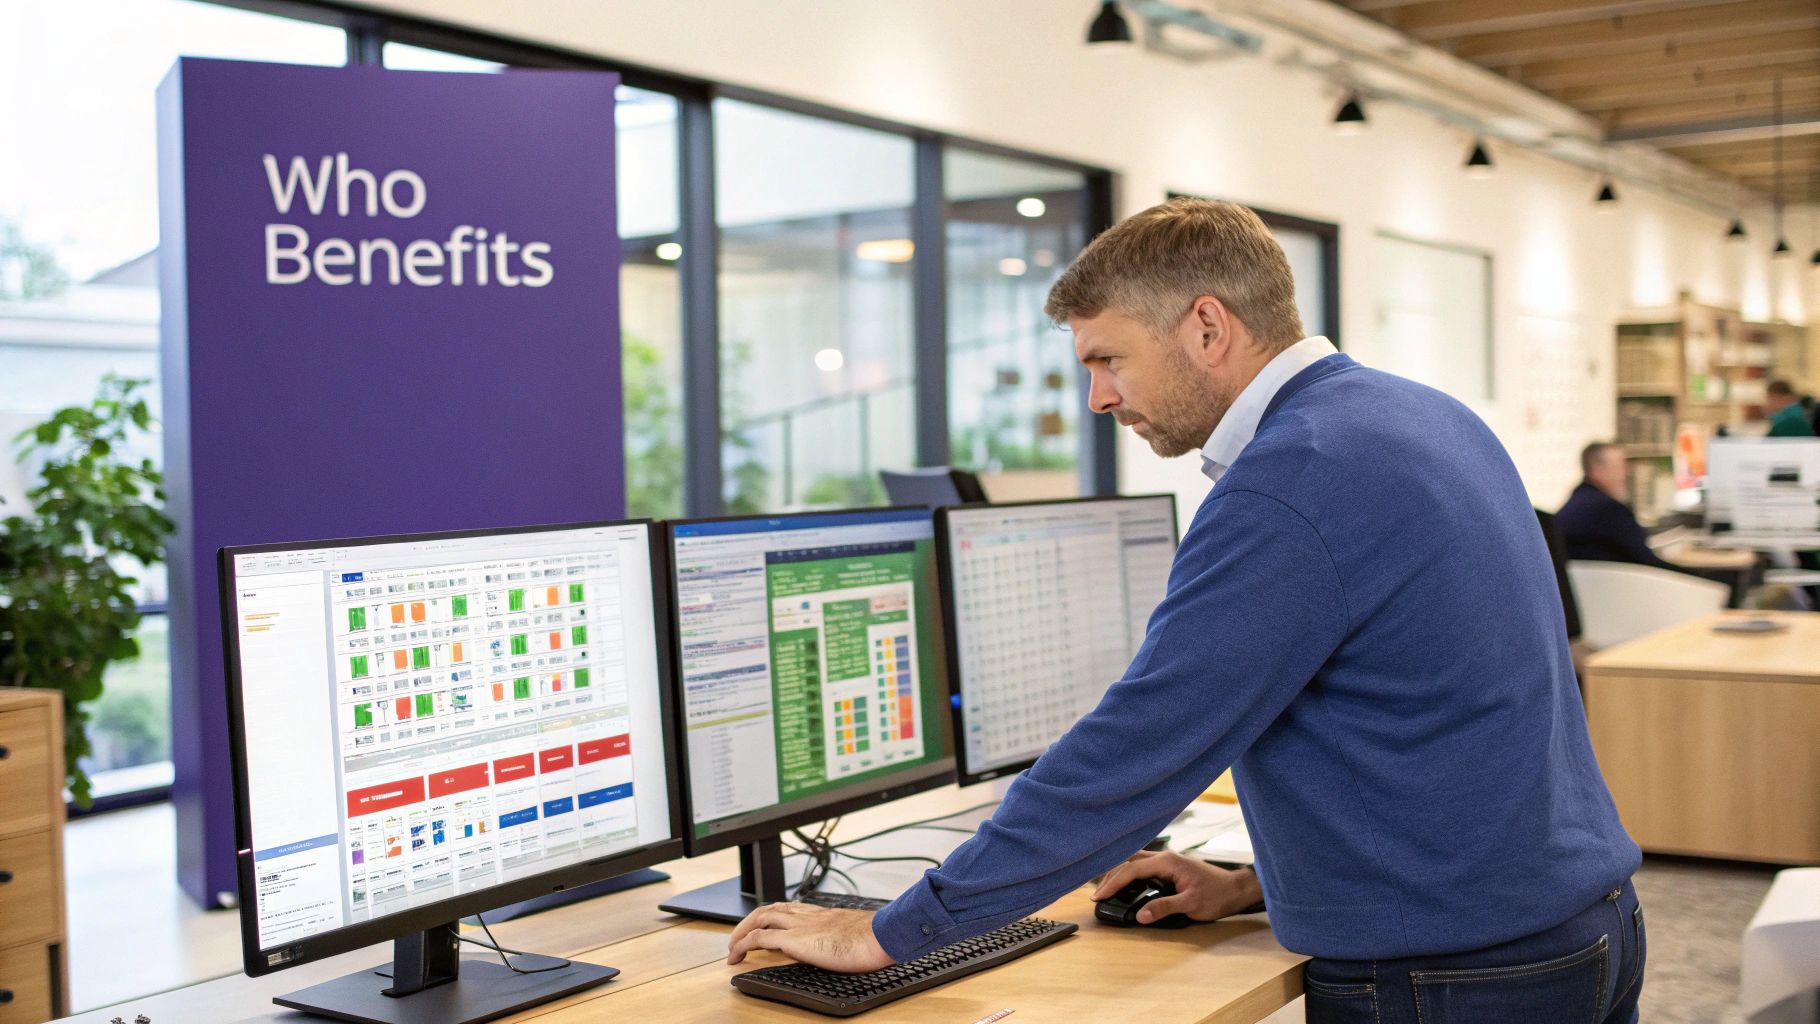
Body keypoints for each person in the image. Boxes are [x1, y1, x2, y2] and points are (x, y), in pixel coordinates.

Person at [726, 198, 1645, 1023]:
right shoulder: (1420, 416)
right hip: (1577, 927)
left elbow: (1141, 744)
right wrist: (1249, 885)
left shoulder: (1292, 480)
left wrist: (890, 931)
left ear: (1207, 325)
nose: (1098, 397)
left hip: (1460, 975)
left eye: (1109, 359)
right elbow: (1452, 718)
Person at [1557, 441, 1696, 572]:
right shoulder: (1607, 510)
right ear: (1597, 470)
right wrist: (1698, 575)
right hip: (1620, 585)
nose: (1626, 473)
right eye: (1619, 466)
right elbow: (1647, 561)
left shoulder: (1579, 500)